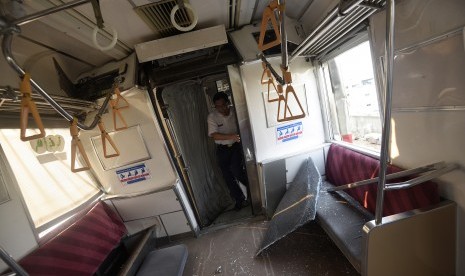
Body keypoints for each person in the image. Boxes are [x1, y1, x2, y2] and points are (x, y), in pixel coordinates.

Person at [207, 92, 249, 211]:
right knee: (228, 176)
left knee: (237, 171)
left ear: (228, 103)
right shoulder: (212, 117)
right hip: (223, 149)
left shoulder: (236, 112)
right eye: (218, 106)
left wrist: (238, 137)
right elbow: (214, 136)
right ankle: (239, 200)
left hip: (237, 146)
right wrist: (232, 136)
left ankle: (252, 194)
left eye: (223, 105)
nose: (221, 108)